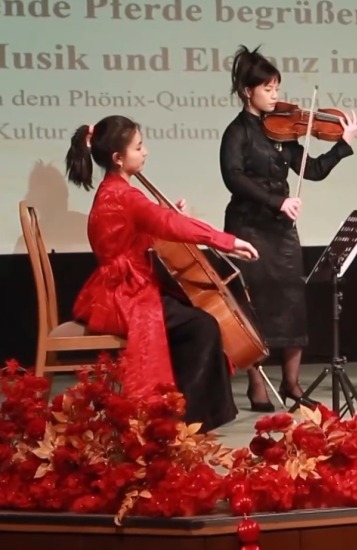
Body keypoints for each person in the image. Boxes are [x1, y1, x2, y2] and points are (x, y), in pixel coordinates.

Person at [65, 115, 259, 433]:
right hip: (123, 294)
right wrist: (228, 241)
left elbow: (147, 228)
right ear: (118, 158)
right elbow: (165, 224)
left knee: (195, 319)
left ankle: (183, 413)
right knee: (202, 325)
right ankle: (185, 421)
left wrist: (170, 217)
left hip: (122, 286)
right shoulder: (124, 196)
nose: (145, 152)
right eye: (138, 147)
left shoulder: (114, 191)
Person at [219, 45, 357, 411]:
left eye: (277, 88)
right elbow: (233, 177)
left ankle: (292, 384)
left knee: (292, 303)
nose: (275, 96)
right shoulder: (237, 132)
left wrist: (343, 145)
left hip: (281, 231)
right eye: (267, 89)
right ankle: (257, 385)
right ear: (247, 91)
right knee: (254, 307)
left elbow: (311, 170)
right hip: (248, 227)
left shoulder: (282, 131)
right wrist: (277, 201)